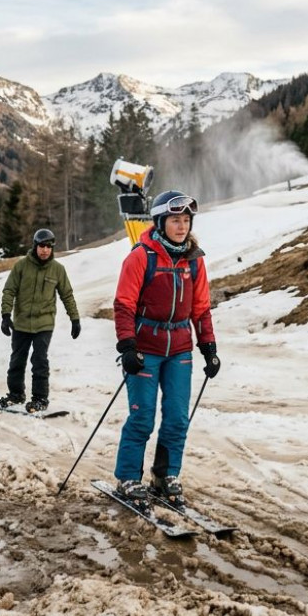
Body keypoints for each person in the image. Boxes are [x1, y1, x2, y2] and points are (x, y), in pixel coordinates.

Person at [111, 191, 221, 506]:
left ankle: (165, 474)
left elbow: (201, 309)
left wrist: (209, 347)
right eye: (175, 220)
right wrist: (128, 346)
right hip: (145, 349)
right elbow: (123, 304)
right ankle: (128, 478)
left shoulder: (194, 261)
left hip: (180, 349)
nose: (181, 226)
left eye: (186, 220)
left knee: (176, 418)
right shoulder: (141, 256)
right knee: (142, 417)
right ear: (161, 221)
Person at [0, 228, 80, 413]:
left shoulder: (58, 270)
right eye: (42, 246)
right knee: (17, 361)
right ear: (35, 246)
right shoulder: (21, 266)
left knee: (40, 360)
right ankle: (16, 394)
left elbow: (67, 295)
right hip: (21, 322)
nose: (45, 250)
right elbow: (9, 290)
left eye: (49, 247)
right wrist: (5, 315)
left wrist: (74, 319)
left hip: (44, 323)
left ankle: (40, 399)